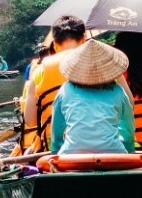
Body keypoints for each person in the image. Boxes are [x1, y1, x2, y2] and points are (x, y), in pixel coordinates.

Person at [17, 15, 88, 154]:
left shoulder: (40, 70)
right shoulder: (105, 65)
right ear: (84, 39)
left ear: (54, 43)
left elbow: (30, 121)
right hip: (101, 145)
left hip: (52, 148)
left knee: (28, 152)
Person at [50, 39, 135, 155]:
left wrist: (56, 151)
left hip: (72, 154)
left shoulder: (65, 90)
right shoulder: (118, 91)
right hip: (114, 153)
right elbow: (127, 129)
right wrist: (129, 150)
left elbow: (57, 130)